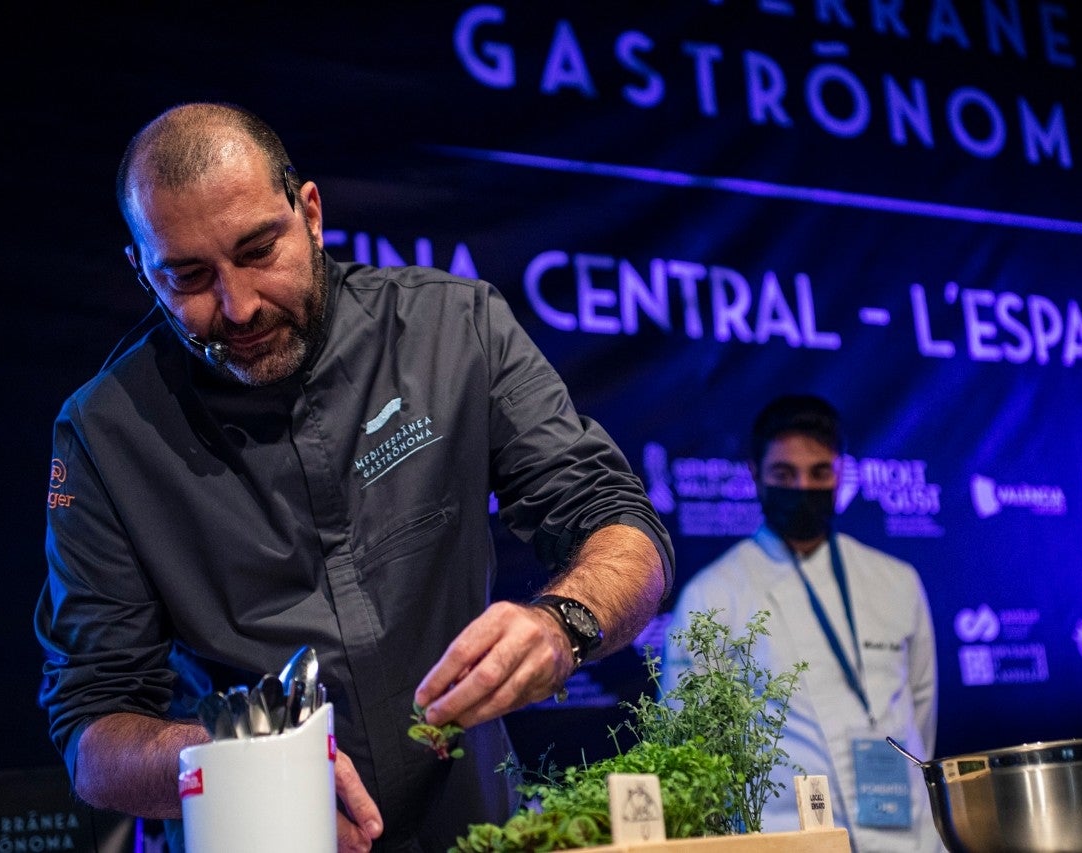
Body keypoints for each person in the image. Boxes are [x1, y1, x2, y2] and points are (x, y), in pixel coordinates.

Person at [33, 102, 674, 853]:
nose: (237, 305)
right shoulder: (106, 434)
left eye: (258, 249)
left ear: (309, 213)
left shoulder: (453, 328)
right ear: (142, 271)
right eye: (190, 277)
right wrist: (244, 770)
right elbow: (91, 732)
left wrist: (561, 624)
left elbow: (624, 528)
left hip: (477, 828)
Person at [660, 394, 940, 852]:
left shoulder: (896, 581)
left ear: (841, 473)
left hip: (909, 835)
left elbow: (922, 709)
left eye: (819, 473)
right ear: (756, 476)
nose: (803, 487)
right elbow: (692, 752)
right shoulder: (712, 596)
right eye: (784, 475)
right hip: (785, 838)